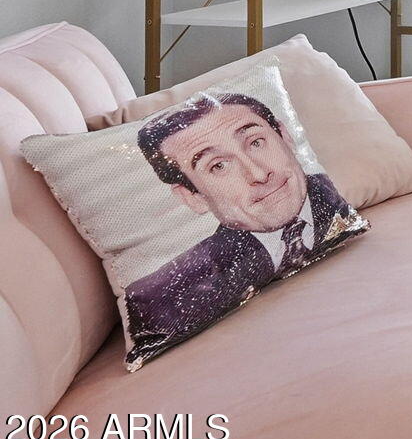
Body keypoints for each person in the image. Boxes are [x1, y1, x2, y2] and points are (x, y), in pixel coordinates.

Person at [124, 90, 354, 350]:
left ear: (285, 136)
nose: (258, 173)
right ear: (192, 197)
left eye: (256, 142)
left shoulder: (351, 189)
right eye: (218, 166)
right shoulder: (161, 300)